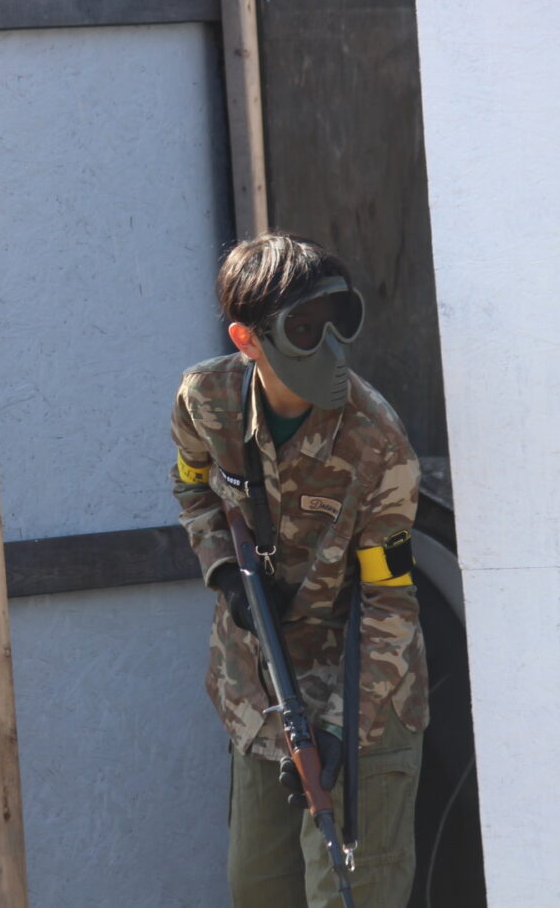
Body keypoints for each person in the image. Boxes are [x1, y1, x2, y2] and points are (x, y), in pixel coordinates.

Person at [170, 232, 428, 908]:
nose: (331, 349)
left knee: (346, 895)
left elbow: (390, 601)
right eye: (304, 329)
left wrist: (342, 727)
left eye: (338, 322)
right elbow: (193, 488)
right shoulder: (206, 400)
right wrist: (223, 570)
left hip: (363, 695)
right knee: (258, 888)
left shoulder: (377, 442)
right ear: (247, 339)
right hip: (259, 696)